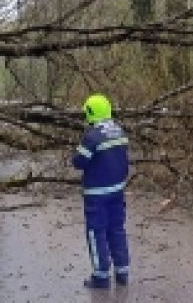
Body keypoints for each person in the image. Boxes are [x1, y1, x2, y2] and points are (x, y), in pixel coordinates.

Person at [71, 93, 131, 289]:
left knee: (96, 233)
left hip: (97, 193)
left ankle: (101, 276)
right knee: (117, 229)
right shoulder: (120, 131)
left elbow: (78, 162)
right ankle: (122, 271)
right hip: (118, 190)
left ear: (90, 112)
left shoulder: (92, 136)